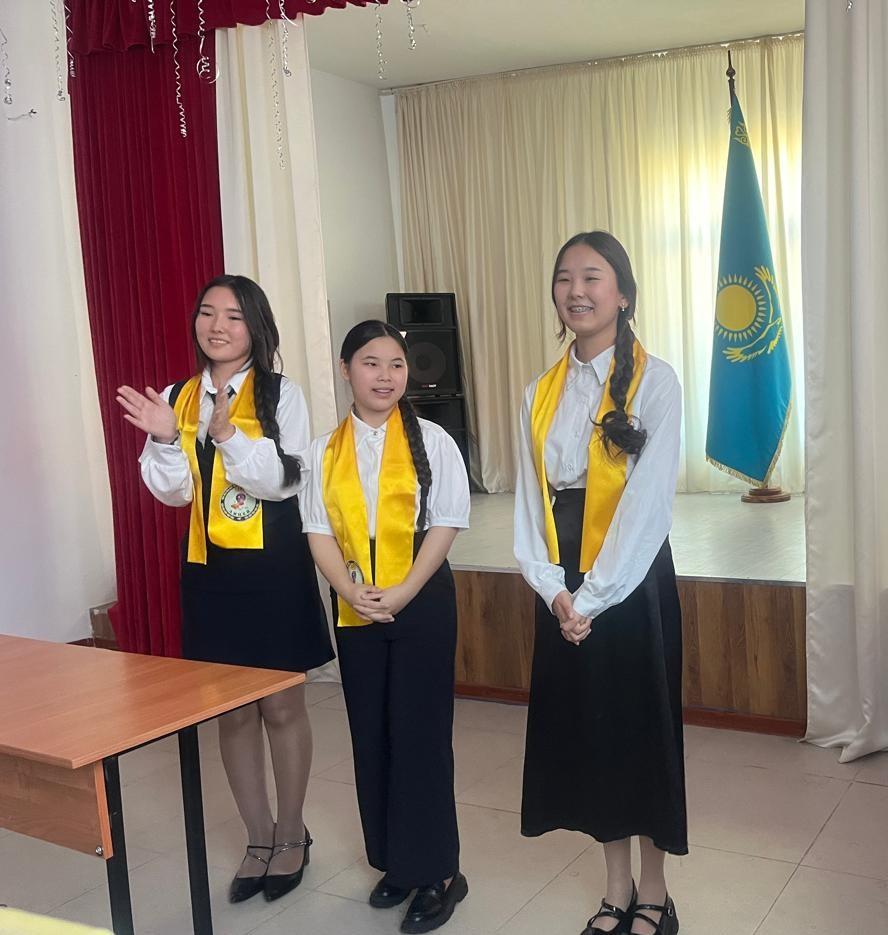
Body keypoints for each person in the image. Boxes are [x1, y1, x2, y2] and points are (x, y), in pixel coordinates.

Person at [116, 274, 334, 903]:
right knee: (232, 712)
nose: (217, 326)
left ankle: (292, 834)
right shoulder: (178, 397)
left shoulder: (281, 394)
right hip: (209, 573)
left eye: (234, 316)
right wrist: (166, 436)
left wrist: (230, 435)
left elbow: (284, 481)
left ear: (255, 327)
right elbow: (174, 493)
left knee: (282, 707)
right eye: (207, 313)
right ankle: (258, 837)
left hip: (273, 569)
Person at [514, 232, 686, 935]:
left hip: (630, 579)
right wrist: (552, 587)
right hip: (563, 581)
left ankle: (656, 892)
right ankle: (616, 888)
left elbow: (647, 506)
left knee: (640, 730)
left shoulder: (656, 381)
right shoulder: (539, 391)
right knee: (591, 733)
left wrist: (591, 596)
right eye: (565, 277)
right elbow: (531, 502)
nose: (576, 290)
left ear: (623, 293)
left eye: (592, 276)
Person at [302, 320, 470, 934]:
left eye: (396, 364)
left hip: (420, 596)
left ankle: (440, 873)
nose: (385, 376)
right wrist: (348, 591)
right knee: (371, 734)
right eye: (371, 363)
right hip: (356, 600)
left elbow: (447, 522)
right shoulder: (323, 451)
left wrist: (403, 591)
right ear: (346, 369)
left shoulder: (434, 441)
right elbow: (317, 528)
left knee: (420, 736)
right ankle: (398, 863)